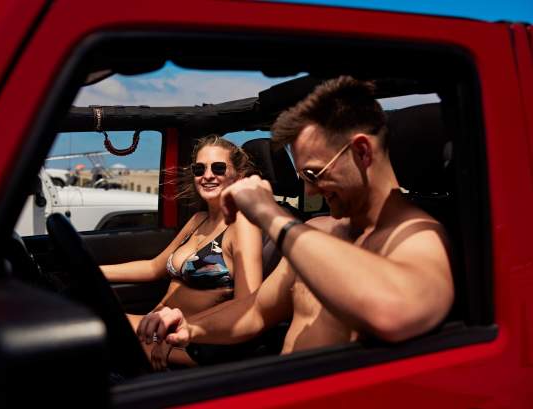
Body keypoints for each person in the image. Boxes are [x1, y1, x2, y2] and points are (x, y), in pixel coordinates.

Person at [137, 76, 454, 355]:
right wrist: (192, 328)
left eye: (315, 174)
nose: (311, 192)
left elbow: (396, 312)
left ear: (362, 152)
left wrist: (269, 214)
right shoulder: (318, 230)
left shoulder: (419, 236)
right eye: (303, 177)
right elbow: (257, 311)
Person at [100, 134, 263, 370]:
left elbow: (247, 306)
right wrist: (93, 271)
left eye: (218, 168)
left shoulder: (243, 224)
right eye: (199, 169)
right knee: (82, 322)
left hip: (193, 343)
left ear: (237, 175)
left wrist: (184, 333)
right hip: (157, 329)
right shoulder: (198, 219)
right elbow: (154, 267)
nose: (207, 175)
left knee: (86, 335)